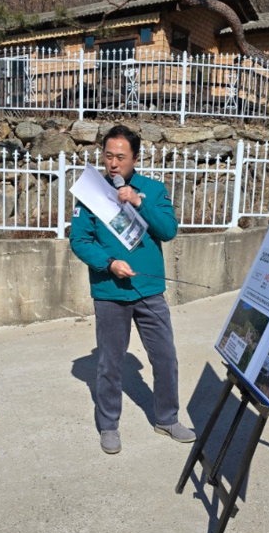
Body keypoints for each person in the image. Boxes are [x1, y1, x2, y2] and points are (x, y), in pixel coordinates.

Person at [70, 125, 196, 454]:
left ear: (136, 158)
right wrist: (109, 263)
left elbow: (168, 230)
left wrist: (138, 202)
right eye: (108, 156)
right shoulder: (91, 193)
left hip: (149, 290)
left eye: (121, 157)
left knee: (165, 358)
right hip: (110, 291)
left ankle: (167, 418)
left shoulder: (152, 190)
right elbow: (79, 240)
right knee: (110, 364)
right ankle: (108, 424)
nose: (113, 163)